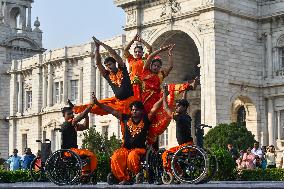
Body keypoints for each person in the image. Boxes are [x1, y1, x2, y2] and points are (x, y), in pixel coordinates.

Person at [92, 94, 163, 185]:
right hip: (125, 149)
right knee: (115, 157)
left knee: (132, 156)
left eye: (136, 110)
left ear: (141, 111)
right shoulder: (125, 118)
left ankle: (137, 174)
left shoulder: (145, 119)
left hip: (139, 150)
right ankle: (123, 178)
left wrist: (163, 97)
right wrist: (98, 103)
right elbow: (112, 110)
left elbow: (154, 109)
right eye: (133, 110)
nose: (134, 112)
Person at [72, 36, 137, 116]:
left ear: (115, 63)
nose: (108, 67)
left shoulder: (122, 68)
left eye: (110, 64)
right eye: (106, 66)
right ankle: (74, 109)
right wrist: (97, 47)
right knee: (94, 106)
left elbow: (114, 53)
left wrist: (101, 44)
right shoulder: (107, 75)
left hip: (130, 102)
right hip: (118, 103)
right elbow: (98, 63)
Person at [61, 92, 98, 175]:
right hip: (68, 151)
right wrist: (91, 105)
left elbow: (85, 126)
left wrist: (87, 116)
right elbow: (80, 116)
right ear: (64, 116)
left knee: (90, 155)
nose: (71, 115)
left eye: (72, 114)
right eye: (69, 114)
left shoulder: (72, 124)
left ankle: (87, 173)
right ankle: (86, 174)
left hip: (73, 150)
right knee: (90, 155)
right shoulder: (67, 124)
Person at [161, 86, 193, 172]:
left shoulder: (179, 117)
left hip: (184, 147)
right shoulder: (187, 116)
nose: (176, 107)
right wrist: (185, 91)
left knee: (165, 154)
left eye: (178, 106)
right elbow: (184, 102)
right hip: (190, 145)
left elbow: (166, 108)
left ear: (184, 108)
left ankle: (172, 173)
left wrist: (164, 95)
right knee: (173, 156)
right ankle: (180, 173)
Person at [124, 34, 152, 99]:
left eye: (139, 52)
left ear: (142, 53)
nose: (137, 53)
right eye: (135, 52)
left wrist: (142, 41)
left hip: (142, 84)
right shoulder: (131, 60)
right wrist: (133, 40)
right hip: (132, 84)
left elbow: (150, 49)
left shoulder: (145, 59)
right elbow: (125, 50)